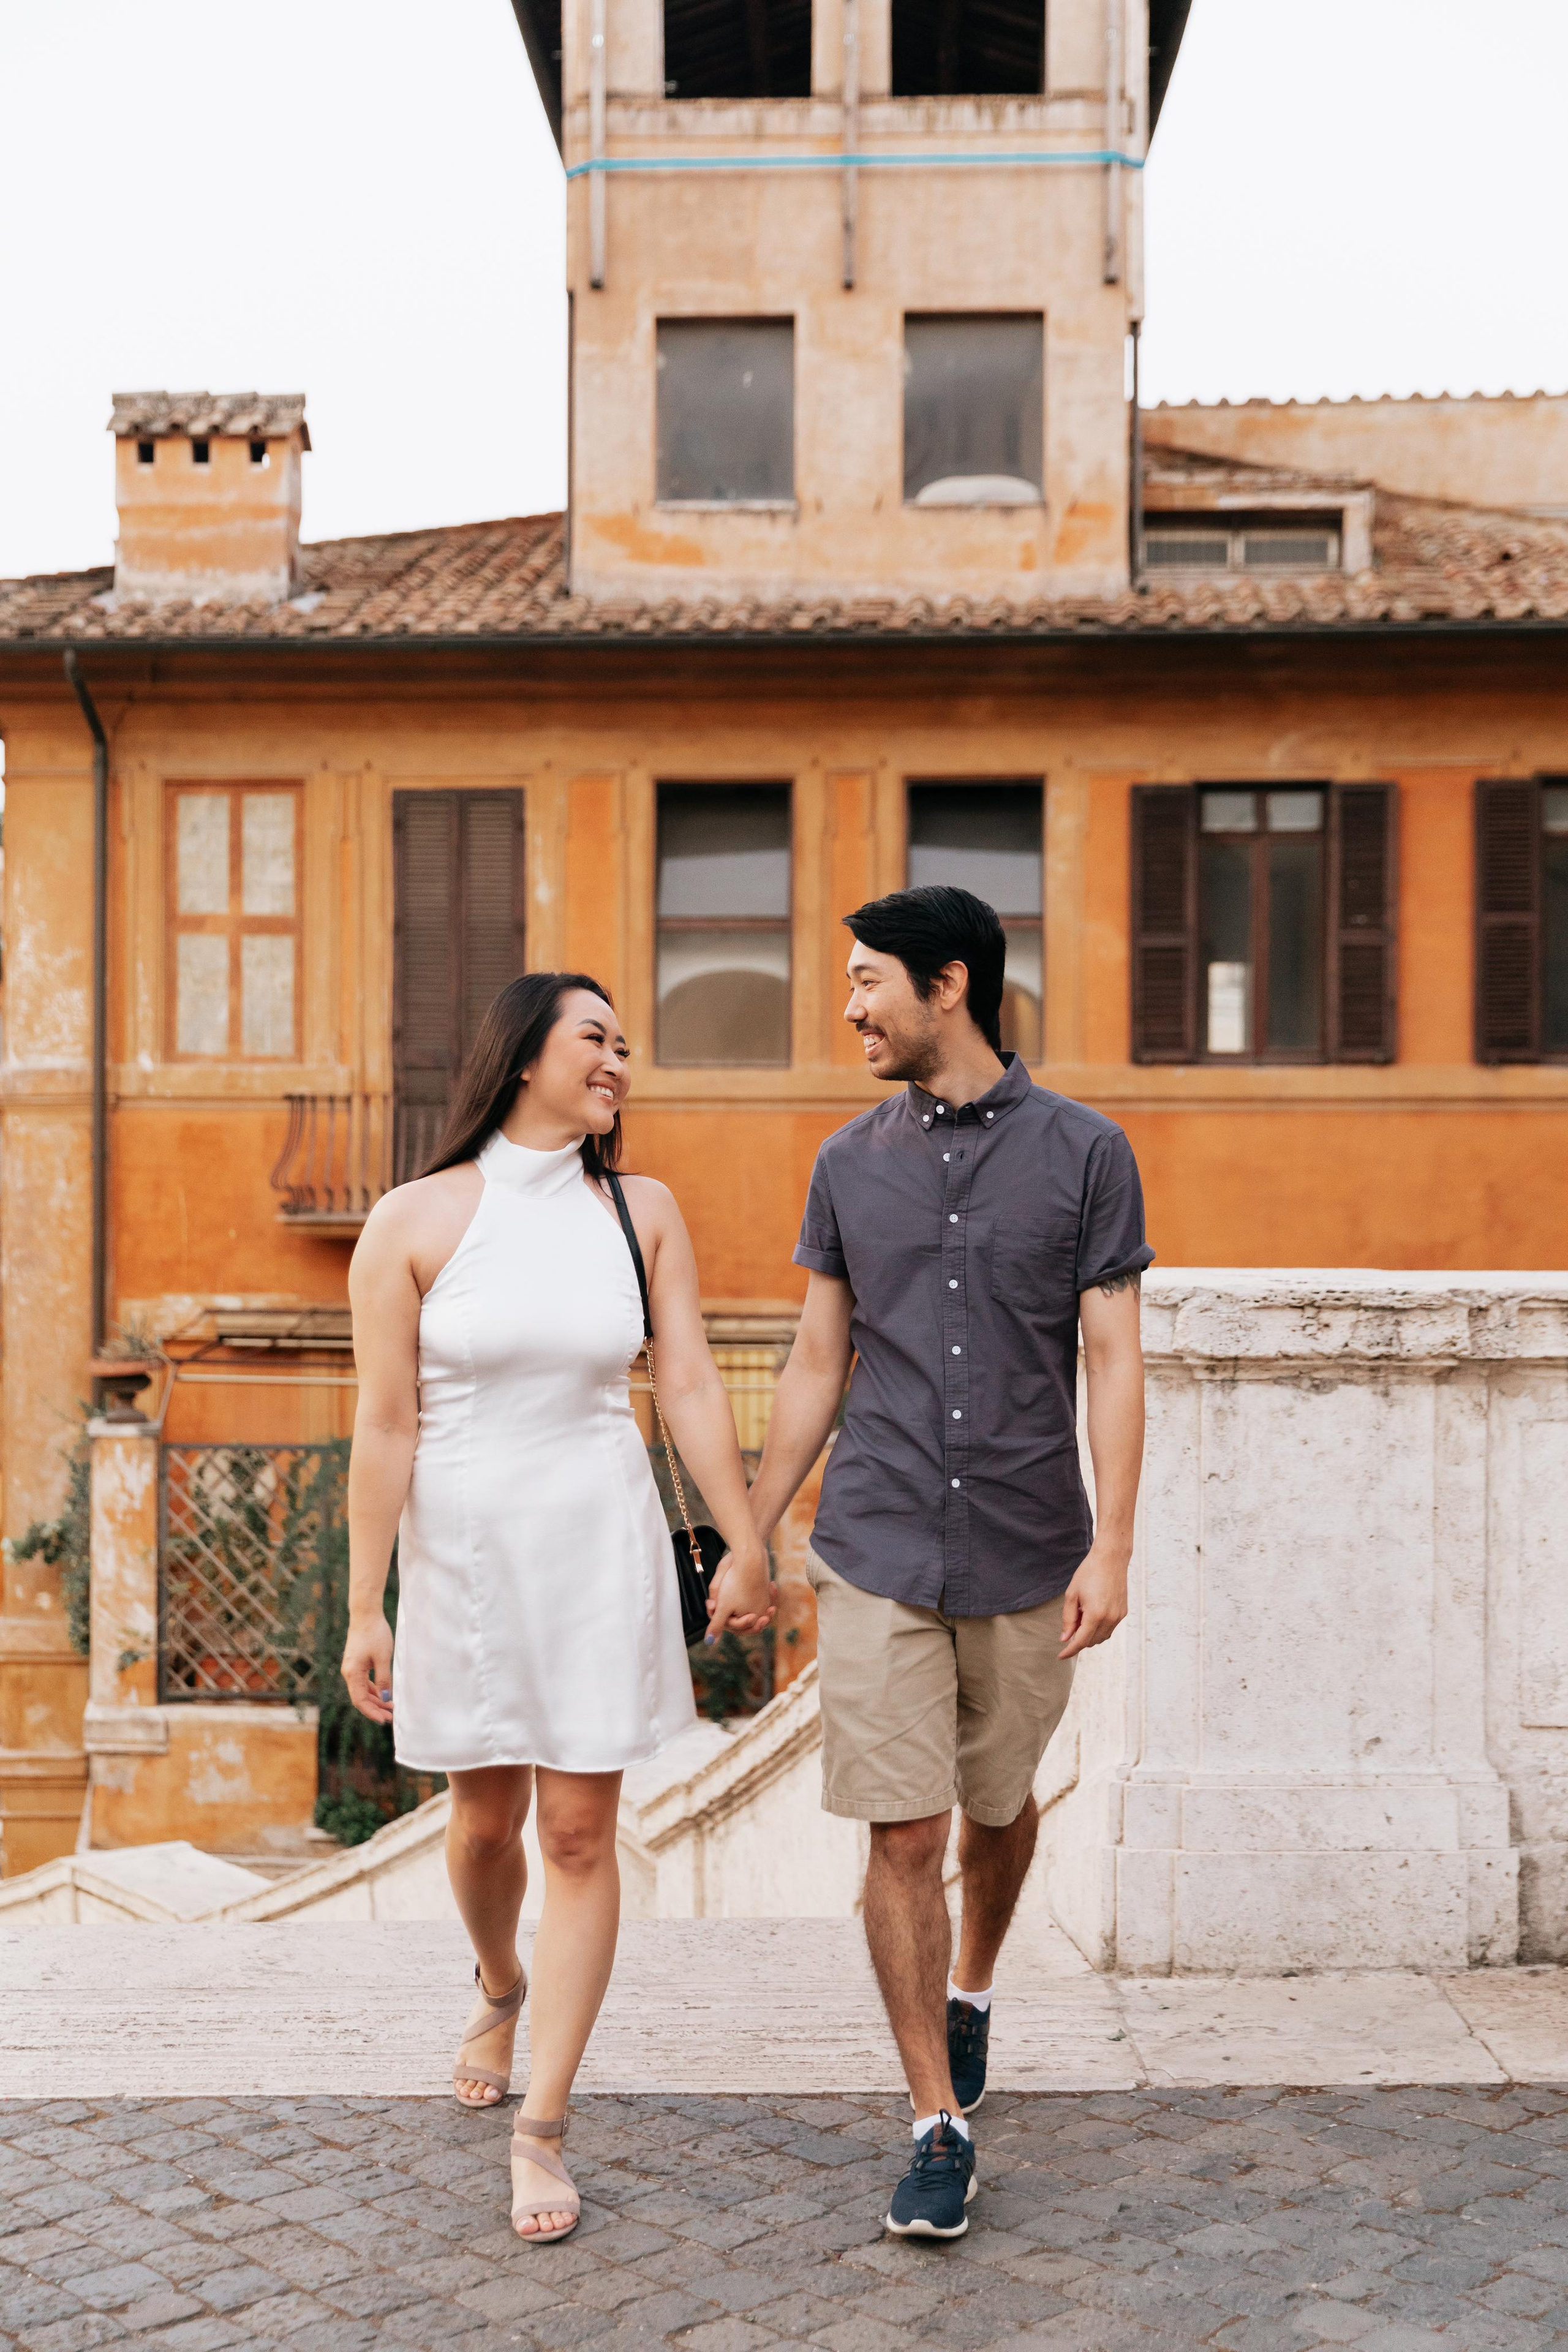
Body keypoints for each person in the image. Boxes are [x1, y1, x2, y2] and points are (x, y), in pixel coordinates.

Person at [342, 970, 773, 2244]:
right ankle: (496, 1978)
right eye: (597, 1039)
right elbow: (382, 1421)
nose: (619, 1064)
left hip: (601, 1542)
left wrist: (746, 1538)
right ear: (523, 1053)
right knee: (483, 1825)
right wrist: (366, 1604)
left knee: (579, 1837)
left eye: (626, 1047)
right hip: (467, 1551)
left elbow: (685, 1381)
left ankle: (542, 2129)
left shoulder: (639, 1211)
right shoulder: (412, 1220)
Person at [747, 886, 1150, 2241]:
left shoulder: (1088, 1153)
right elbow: (818, 1359)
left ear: (950, 984)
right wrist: (752, 1522)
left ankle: (971, 1981)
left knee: (996, 1805)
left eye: (868, 981)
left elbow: (1109, 1357)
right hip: (874, 1537)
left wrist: (1114, 1539)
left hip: (1031, 1537)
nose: (849, 1007)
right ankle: (933, 2119)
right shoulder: (844, 1163)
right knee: (903, 1831)